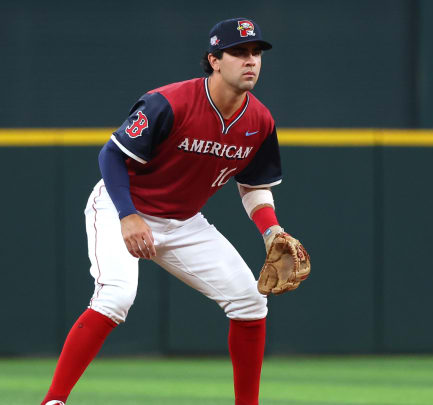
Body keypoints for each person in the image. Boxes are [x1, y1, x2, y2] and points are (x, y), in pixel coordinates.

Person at [42, 17, 299, 405]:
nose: (251, 61)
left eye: (256, 53)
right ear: (214, 59)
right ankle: (54, 401)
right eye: (239, 52)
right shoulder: (170, 102)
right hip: (122, 205)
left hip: (182, 221)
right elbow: (111, 154)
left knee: (249, 302)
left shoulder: (260, 121)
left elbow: (252, 186)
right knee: (115, 298)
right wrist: (127, 215)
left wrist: (271, 231)